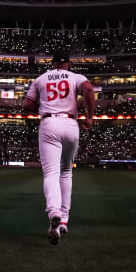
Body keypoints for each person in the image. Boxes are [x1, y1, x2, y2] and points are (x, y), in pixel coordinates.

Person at [24, 50, 96, 245]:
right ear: (69, 64)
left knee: (51, 173)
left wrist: (44, 103)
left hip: (49, 123)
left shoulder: (41, 78)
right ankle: (63, 221)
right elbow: (89, 90)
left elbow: (28, 104)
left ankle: (54, 211)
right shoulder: (76, 77)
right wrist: (89, 116)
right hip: (71, 124)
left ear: (53, 63)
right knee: (66, 173)